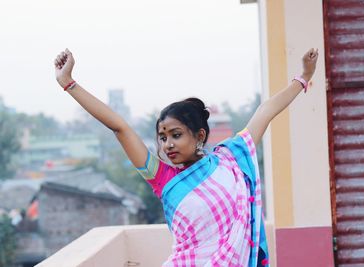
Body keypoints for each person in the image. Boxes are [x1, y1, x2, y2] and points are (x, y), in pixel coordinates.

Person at [54, 47, 318, 266]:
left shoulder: (230, 160)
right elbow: (120, 127)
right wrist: (69, 83)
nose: (168, 144)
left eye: (176, 135)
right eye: (163, 136)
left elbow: (265, 112)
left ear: (199, 135)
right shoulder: (164, 179)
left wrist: (304, 77)